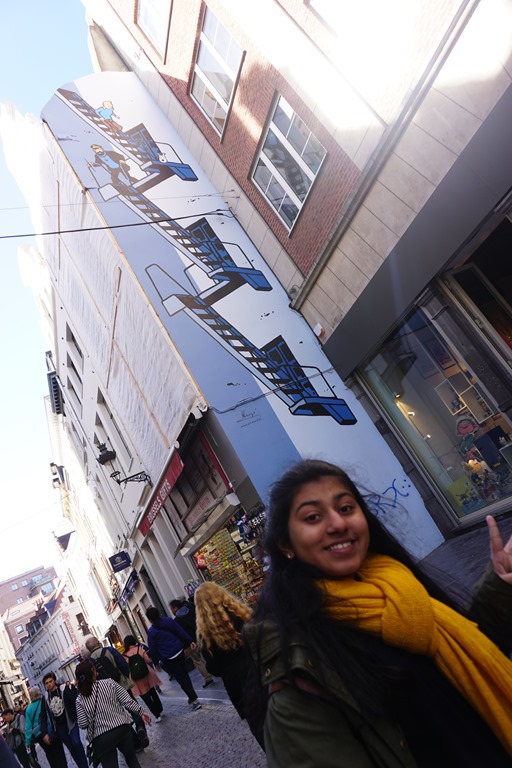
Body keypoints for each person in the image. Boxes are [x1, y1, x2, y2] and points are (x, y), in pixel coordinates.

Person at [246, 459, 512, 766]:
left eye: (346, 508)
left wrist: (500, 586)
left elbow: (468, 662)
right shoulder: (299, 671)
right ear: (286, 545)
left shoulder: (398, 583)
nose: (338, 524)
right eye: (313, 517)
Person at [194, 582, 265, 748]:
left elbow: (214, 668)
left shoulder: (206, 636)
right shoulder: (242, 614)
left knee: (262, 733)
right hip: (263, 674)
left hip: (240, 689)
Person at [75, 660, 151, 768]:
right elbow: (127, 700)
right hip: (122, 728)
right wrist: (141, 712)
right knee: (133, 761)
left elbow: (83, 724)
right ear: (93, 671)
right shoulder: (109, 683)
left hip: (102, 738)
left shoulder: (79, 699)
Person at [145, 606, 202, 710]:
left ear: (150, 619)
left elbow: (153, 648)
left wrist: (156, 663)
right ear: (159, 613)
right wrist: (189, 641)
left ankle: (194, 700)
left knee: (181, 678)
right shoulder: (168, 621)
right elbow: (180, 631)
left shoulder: (151, 632)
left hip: (169, 657)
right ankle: (191, 695)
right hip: (179, 651)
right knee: (184, 674)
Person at [43, 673, 88, 768]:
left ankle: (85, 766)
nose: (49, 684)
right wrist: (45, 732)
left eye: (50, 681)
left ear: (55, 681)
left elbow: (74, 700)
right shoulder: (46, 697)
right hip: (59, 727)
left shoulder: (63, 689)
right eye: (46, 683)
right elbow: (44, 714)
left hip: (71, 721)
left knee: (76, 743)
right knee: (71, 749)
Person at [170, 597, 215, 688]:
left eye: (172, 608)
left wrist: (184, 647)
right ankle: (215, 669)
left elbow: (180, 634)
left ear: (175, 608)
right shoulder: (191, 611)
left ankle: (208, 678)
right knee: (209, 654)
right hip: (201, 636)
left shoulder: (176, 621)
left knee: (197, 661)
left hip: (190, 643)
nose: (171, 611)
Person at [122, 635, 164, 722]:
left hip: (136, 679)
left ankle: (157, 716)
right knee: (153, 692)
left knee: (146, 698)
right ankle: (160, 710)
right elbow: (148, 660)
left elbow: (126, 669)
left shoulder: (125, 655)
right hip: (146, 674)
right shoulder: (139, 648)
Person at [24, 686, 67, 768]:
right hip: (51, 730)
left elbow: (28, 727)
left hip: (39, 735)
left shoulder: (28, 709)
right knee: (59, 751)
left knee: (49, 754)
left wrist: (27, 742)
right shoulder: (45, 701)